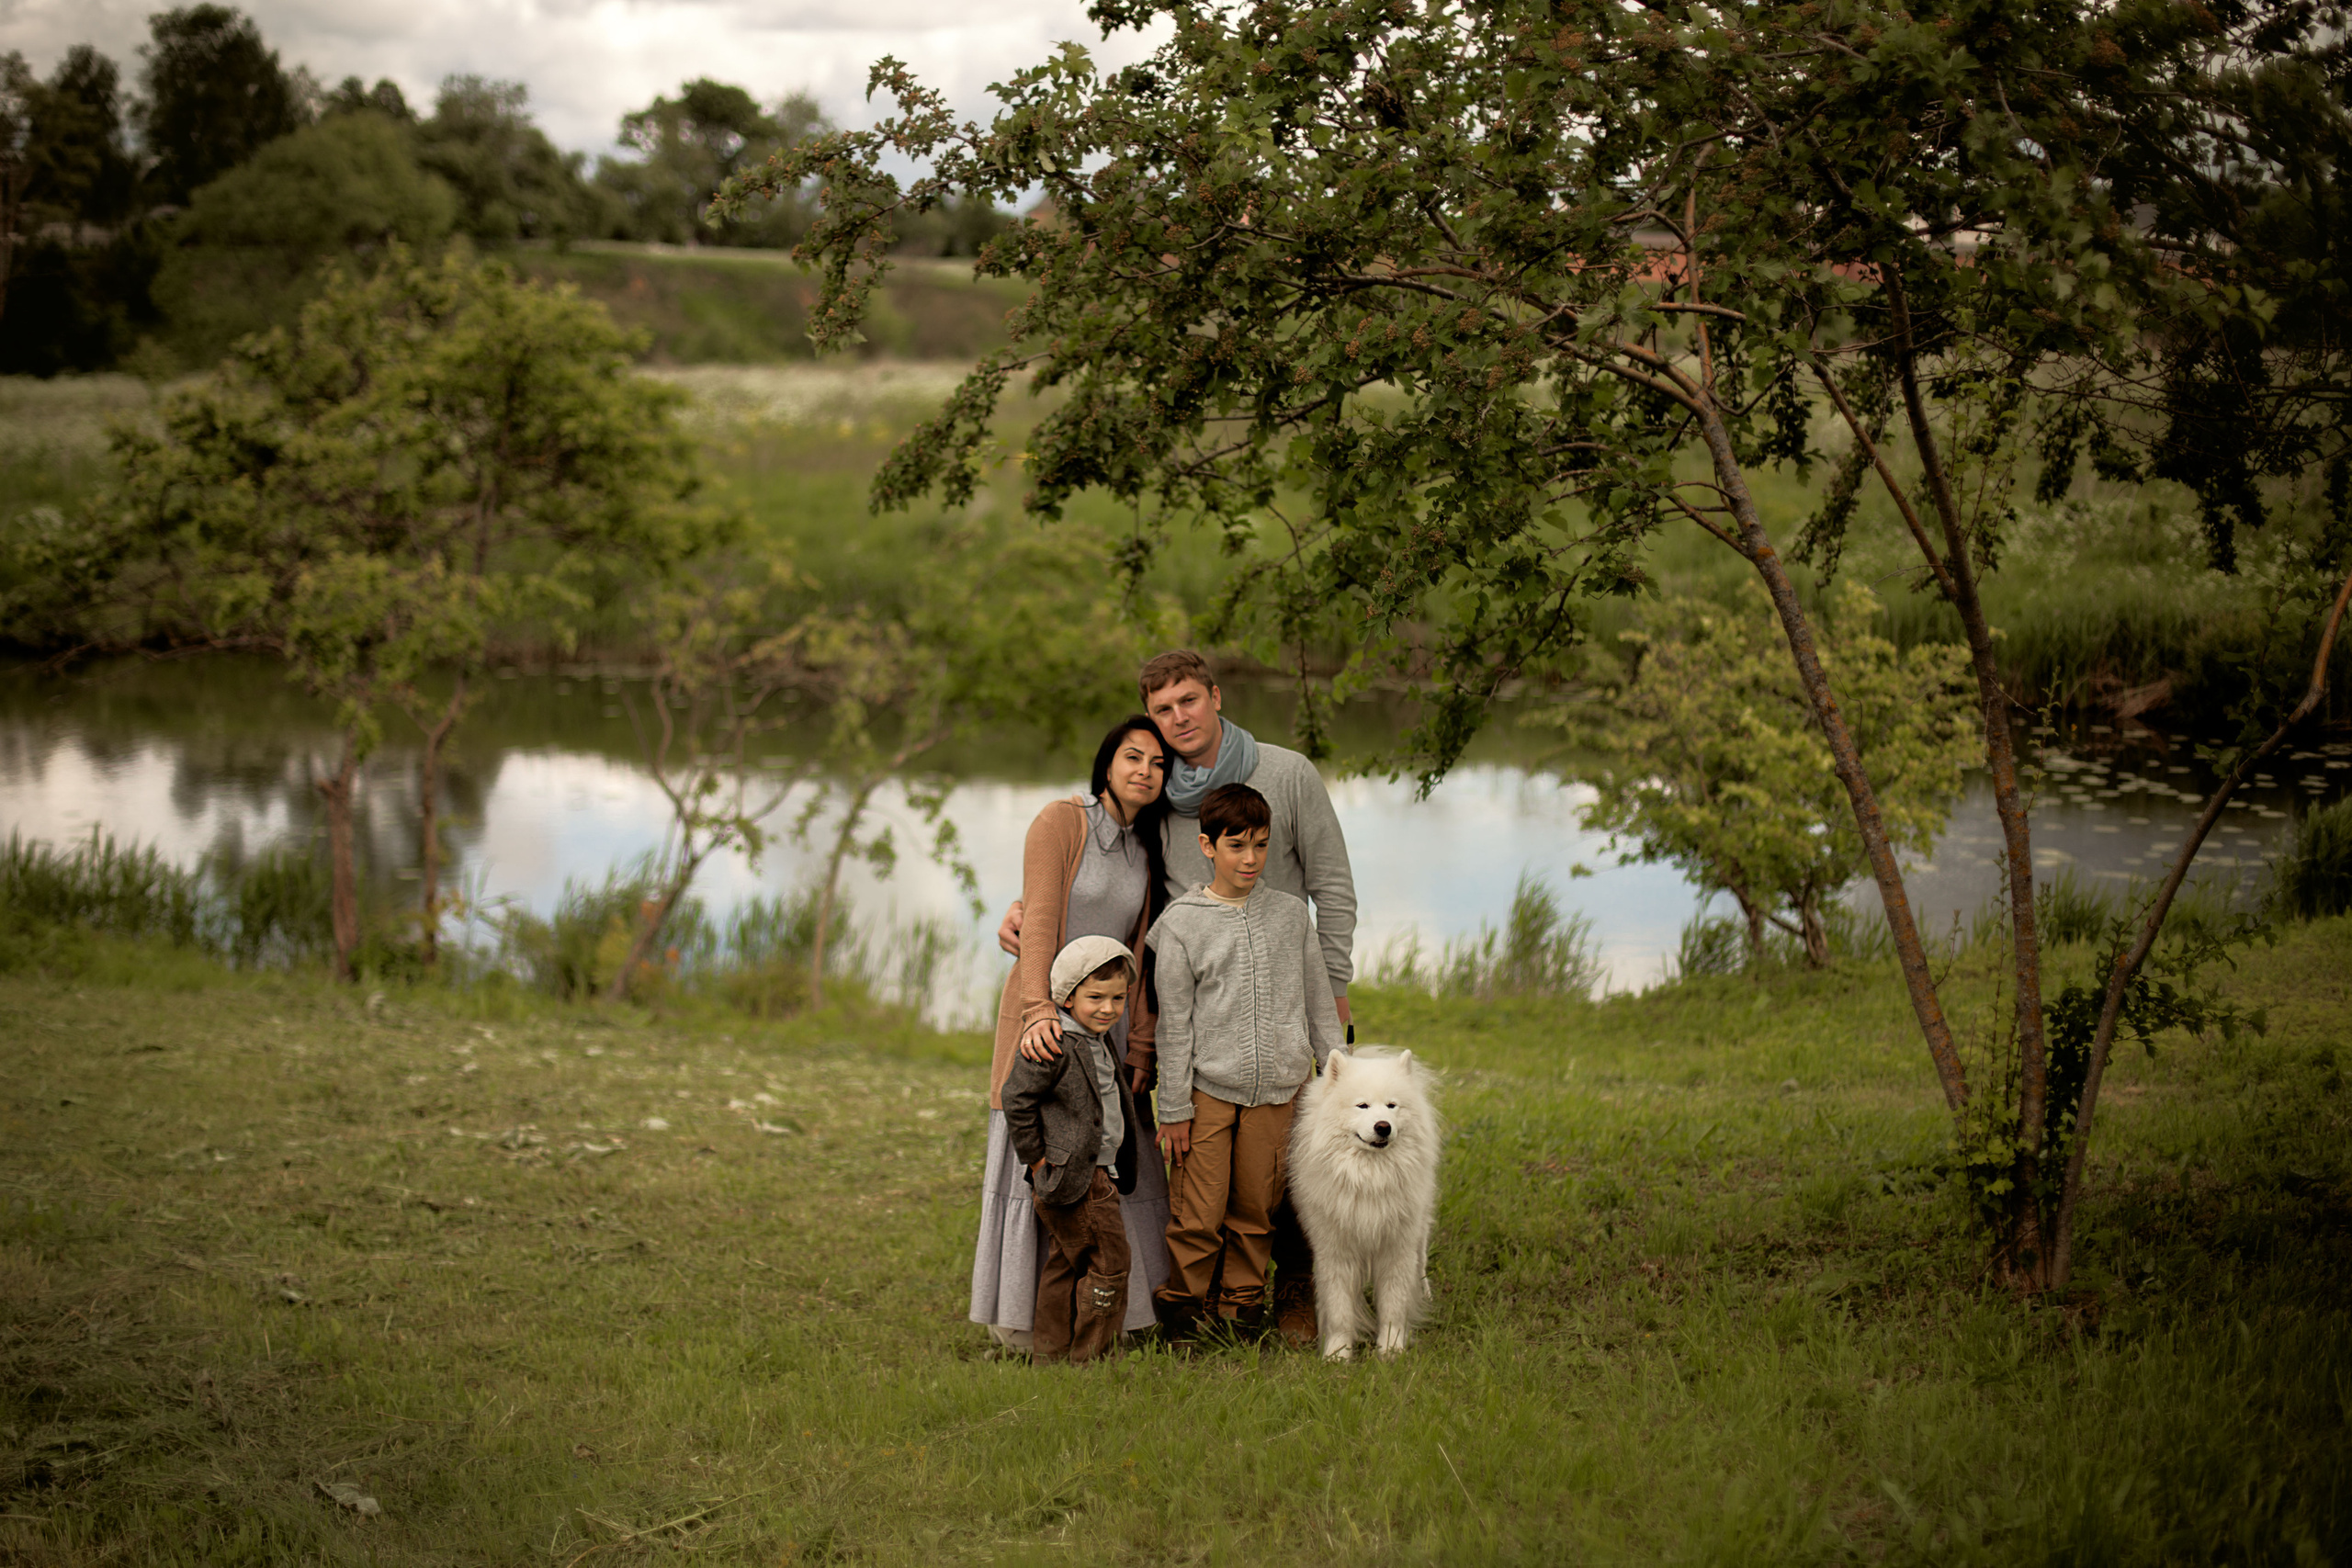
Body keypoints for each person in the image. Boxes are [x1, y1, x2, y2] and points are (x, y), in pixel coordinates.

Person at [997, 650, 1358, 1346]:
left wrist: (1334, 988)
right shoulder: (1164, 793)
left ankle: (1291, 1289)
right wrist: (1026, 909)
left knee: (1283, 1165)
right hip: (1199, 1006)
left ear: (1216, 696)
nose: (1178, 718)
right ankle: (1191, 1303)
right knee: (1200, 1171)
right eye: (1163, 710)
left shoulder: (1287, 774)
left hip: (1285, 1005)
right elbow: (1115, 869)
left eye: (1188, 700)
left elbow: (1333, 888)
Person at [969, 716, 1177, 1353]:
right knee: (1050, 1156)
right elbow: (1036, 923)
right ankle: (1034, 1321)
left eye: (1158, 763)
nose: (1145, 769)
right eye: (1132, 756)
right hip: (1051, 1022)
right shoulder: (1061, 821)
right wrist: (1038, 1014)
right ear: (1107, 763)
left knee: (1116, 1161)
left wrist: (1139, 1043)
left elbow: (1137, 957)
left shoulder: (1147, 849)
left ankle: (1124, 1312)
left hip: (1108, 1029)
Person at [1146, 783, 1344, 1340]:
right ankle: (1185, 1314)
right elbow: (1175, 1024)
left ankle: (1242, 1311)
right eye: (1237, 845)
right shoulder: (1182, 924)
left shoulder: (1289, 917)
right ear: (1208, 846)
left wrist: (1342, 1084)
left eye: (1260, 844)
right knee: (1200, 1212)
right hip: (1208, 1093)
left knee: (1257, 1208)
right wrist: (1175, 1106)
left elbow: (1318, 1005)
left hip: (1280, 1091)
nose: (1251, 858)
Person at [999, 936, 1149, 1364]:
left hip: (1097, 1172)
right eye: (1095, 997)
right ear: (1067, 996)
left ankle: (1051, 1354)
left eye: (1118, 998)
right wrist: (1038, 1159)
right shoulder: (1053, 1042)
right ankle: (1091, 1358)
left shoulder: (1096, 1039)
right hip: (1077, 1178)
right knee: (1111, 1263)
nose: (1108, 1008)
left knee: (1066, 1262)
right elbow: (1017, 1099)